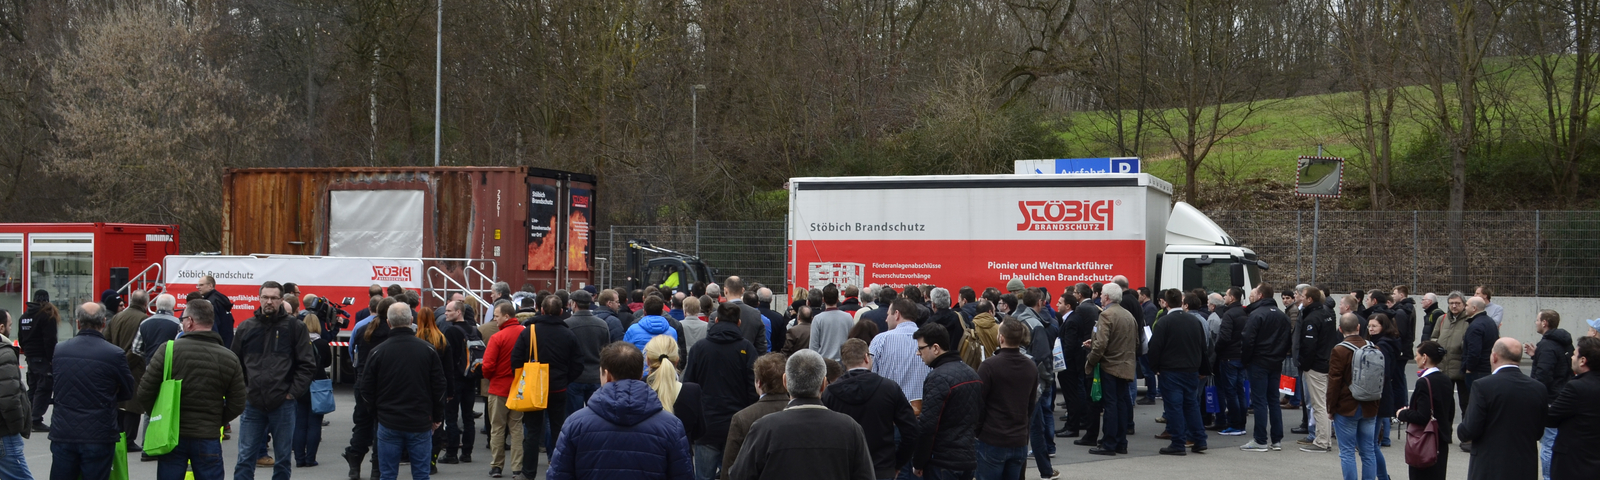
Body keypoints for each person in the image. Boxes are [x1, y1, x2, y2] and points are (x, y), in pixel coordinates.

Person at [547, 341, 694, 480]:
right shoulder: (671, 426)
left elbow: (559, 475)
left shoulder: (575, 423)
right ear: (639, 374)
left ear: (607, 375)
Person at [136, 299, 247, 480]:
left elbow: (144, 392)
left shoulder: (168, 350)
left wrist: (162, 415)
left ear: (190, 322)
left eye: (183, 318)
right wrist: (217, 420)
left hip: (171, 435)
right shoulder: (229, 358)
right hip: (208, 435)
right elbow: (238, 402)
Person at [728, 349, 875, 480]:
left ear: (785, 382)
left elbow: (739, 475)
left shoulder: (764, 428)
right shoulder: (850, 428)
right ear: (824, 384)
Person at [232, 281, 317, 480]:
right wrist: (244, 390)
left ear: (281, 299)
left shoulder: (295, 327)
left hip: (283, 403)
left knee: (283, 459)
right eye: (265, 297)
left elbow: (307, 364)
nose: (269, 301)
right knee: (245, 458)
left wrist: (292, 393)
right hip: (252, 403)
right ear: (259, 298)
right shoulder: (246, 327)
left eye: (273, 298)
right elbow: (234, 364)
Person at [360, 303, 448, 480]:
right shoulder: (428, 350)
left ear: (388, 322)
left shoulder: (378, 352)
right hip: (420, 420)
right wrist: (437, 416)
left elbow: (366, 389)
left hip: (389, 420)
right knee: (421, 474)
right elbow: (439, 387)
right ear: (411, 320)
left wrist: (377, 413)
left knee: (388, 475)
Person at [49, 302, 136, 480]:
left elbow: (56, 385)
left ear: (78, 322)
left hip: (64, 431)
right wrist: (108, 396)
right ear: (104, 322)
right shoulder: (114, 354)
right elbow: (128, 391)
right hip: (99, 432)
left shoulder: (60, 350)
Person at [682, 302, 758, 480]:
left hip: (706, 425)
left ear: (716, 321)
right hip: (736, 425)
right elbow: (753, 388)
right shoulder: (747, 349)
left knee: (703, 476)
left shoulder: (699, 348)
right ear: (738, 323)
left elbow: (689, 385)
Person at [511, 295, 583, 480]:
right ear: (561, 311)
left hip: (534, 388)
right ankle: (560, 469)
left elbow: (516, 359)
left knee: (533, 431)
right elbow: (578, 364)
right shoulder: (568, 334)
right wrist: (565, 379)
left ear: (540, 309)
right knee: (559, 428)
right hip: (558, 388)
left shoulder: (529, 331)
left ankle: (528, 473)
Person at [825, 338, 917, 480]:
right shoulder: (889, 388)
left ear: (844, 362)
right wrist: (898, 463)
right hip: (881, 466)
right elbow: (910, 430)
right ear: (867, 357)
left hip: (844, 467)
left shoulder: (830, 393)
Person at [1458, 338, 1546, 480]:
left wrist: (1460, 430)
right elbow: (1538, 432)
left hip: (1490, 465)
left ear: (1494, 356)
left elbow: (1470, 429)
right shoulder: (1538, 388)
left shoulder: (1483, 386)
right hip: (1524, 465)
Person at [974, 320, 1043, 480]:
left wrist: (978, 431)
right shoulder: (1030, 366)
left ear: (1001, 338)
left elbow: (978, 403)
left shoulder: (989, 366)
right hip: (1018, 439)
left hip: (993, 438)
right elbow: (1031, 404)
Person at [912, 323, 981, 480]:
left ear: (935, 348)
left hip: (943, 462)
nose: (918, 353)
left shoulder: (937, 378)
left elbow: (928, 426)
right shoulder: (972, 373)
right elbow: (978, 416)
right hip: (967, 458)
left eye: (921, 348)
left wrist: (919, 461)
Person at [1147, 290, 1210, 456]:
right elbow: (1202, 347)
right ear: (1181, 302)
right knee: (1192, 405)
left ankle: (1178, 442)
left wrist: (1154, 367)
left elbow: (1155, 347)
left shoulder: (1164, 322)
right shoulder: (1194, 321)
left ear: (1166, 303)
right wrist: (1203, 369)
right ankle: (1199, 439)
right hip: (1191, 369)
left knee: (1174, 407)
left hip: (1171, 370)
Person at [1084, 283, 1137, 456]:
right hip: (1126, 365)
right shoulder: (1129, 315)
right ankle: (1121, 442)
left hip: (1110, 366)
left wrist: (1091, 360)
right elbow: (1133, 341)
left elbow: (1101, 345)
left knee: (1111, 405)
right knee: (1121, 404)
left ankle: (1109, 443)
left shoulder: (1106, 315)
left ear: (1106, 297)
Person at [1239, 283, 1291, 452]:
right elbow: (1287, 341)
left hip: (1258, 361)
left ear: (1260, 296)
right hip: (1275, 362)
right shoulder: (1283, 316)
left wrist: (1245, 360)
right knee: (1273, 400)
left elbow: (1248, 340)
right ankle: (1276, 439)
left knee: (1260, 400)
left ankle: (1260, 439)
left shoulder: (1256, 315)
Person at [1329, 313, 1382, 480]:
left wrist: (1331, 408)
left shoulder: (1339, 350)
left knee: (1347, 452)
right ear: (1359, 327)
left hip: (1346, 407)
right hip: (1370, 405)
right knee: (1368, 451)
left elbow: (1334, 382)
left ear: (1340, 329)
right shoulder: (1374, 347)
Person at [720, 353, 790, 480]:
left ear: (758, 383)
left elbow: (729, 467)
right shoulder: (799, 413)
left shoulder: (742, 418)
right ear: (786, 381)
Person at [1525, 309, 1572, 480]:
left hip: (1550, 400)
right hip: (1562, 396)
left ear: (1545, 323)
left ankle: (1549, 477)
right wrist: (1536, 356)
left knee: (1548, 444)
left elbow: (1544, 375)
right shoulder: (1565, 342)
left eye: (1537, 319)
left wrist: (1534, 396)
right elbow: (1561, 367)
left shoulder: (1546, 345)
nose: (1536, 322)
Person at [1397, 341, 1455, 480]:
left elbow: (1423, 416)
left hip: (1425, 440)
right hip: (1441, 438)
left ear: (1424, 357)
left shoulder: (1424, 382)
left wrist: (1403, 414)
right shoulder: (1446, 379)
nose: (1415, 358)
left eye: (1417, 355)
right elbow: (1450, 409)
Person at [1546, 336, 1600, 480]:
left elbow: (1550, 418)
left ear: (1583, 361)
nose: (1571, 357)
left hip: (1573, 462)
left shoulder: (1577, 387)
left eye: (1575, 354)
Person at [481, 302, 525, 478]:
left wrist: (491, 377)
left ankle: (497, 466)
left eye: (497, 316)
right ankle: (517, 467)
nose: (494, 319)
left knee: (497, 428)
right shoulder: (525, 333)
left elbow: (488, 366)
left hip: (499, 388)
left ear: (506, 316)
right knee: (516, 428)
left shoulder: (497, 337)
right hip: (519, 388)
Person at [869, 298, 932, 419]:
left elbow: (870, 376)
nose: (886, 319)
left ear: (897, 314)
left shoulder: (880, 340)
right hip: (921, 414)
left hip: (888, 413)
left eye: (888, 314)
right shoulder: (929, 340)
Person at [104, 290, 148, 451]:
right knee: (133, 404)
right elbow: (139, 349)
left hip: (115, 364)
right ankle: (129, 440)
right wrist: (124, 363)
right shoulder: (144, 320)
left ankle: (118, 435)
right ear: (145, 303)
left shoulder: (117, 316)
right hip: (134, 367)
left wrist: (114, 362)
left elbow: (106, 339)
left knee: (118, 402)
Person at [294, 308, 335, 468]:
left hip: (300, 385)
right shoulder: (323, 344)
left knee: (300, 423)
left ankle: (299, 458)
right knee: (315, 423)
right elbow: (327, 363)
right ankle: (310, 458)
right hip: (318, 385)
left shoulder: (298, 343)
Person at [645, 335, 703, 445]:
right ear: (677, 360)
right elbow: (699, 431)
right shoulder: (692, 391)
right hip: (682, 455)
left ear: (647, 360)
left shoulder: (639, 389)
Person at [1459, 296, 1499, 452]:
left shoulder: (1475, 326)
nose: (1465, 308)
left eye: (1467, 305)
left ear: (1474, 309)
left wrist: (1469, 368)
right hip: (1486, 368)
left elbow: (1473, 351)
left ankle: (1471, 438)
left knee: (1474, 404)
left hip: (1476, 371)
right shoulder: (1489, 323)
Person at [17, 290, 59, 432]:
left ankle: (26, 417)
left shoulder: (24, 317)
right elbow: (50, 340)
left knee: (33, 387)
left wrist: (28, 353)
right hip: (43, 357)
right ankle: (35, 419)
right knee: (45, 386)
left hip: (30, 357)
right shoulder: (47, 315)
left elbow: (21, 339)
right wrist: (51, 358)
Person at [1429, 292, 1472, 425]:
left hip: (1461, 367)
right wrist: (1437, 345)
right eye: (1451, 303)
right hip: (1443, 366)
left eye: (1457, 303)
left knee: (1466, 403)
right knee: (1444, 403)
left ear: (1464, 304)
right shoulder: (1442, 319)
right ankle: (1445, 432)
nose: (1454, 306)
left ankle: (1466, 435)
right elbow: (1433, 337)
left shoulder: (1469, 320)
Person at [566, 290, 609, 417]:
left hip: (575, 378)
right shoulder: (602, 325)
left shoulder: (567, 325)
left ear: (574, 304)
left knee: (574, 417)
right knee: (596, 416)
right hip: (596, 376)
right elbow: (607, 351)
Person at [0, 309, 32, 480]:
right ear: (1, 327)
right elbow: (9, 399)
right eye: (10, 325)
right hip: (4, 433)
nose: (11, 329)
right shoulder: (4, 353)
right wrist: (17, 427)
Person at [1367, 314, 1407, 448]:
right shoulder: (1388, 341)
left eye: (1374, 326)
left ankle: (1383, 439)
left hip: (1381, 387)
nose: (1370, 329)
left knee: (1372, 443)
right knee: (1382, 416)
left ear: (1383, 327)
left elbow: (1384, 370)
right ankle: (1384, 438)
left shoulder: (1382, 345)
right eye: (1369, 326)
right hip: (1385, 387)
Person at [810, 284, 854, 360]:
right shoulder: (848, 317)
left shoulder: (817, 319)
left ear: (823, 300)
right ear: (838, 299)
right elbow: (852, 341)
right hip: (843, 362)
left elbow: (813, 346)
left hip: (824, 362)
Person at [723, 277, 768, 353]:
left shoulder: (715, 315)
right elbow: (761, 347)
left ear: (725, 290)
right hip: (747, 361)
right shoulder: (755, 314)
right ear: (743, 290)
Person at [196, 275, 237, 348]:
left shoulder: (210, 303)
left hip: (217, 344)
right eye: (198, 285)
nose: (198, 287)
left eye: (201, 285)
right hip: (228, 342)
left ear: (210, 286)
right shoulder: (221, 299)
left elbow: (212, 326)